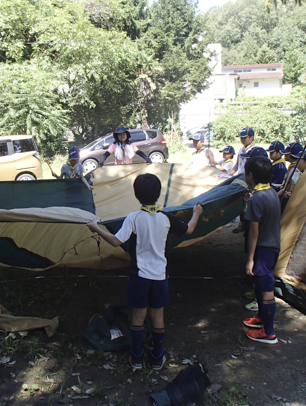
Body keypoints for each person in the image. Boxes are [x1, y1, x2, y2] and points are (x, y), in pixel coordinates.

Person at [87, 174, 203, 370]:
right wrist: (197, 212)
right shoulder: (166, 218)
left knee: (138, 317)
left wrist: (96, 228)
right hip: (159, 277)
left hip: (138, 277)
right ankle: (157, 357)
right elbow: (189, 229)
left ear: (135, 194)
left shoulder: (133, 218)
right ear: (158, 194)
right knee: (158, 316)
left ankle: (137, 357)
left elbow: (116, 241)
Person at [242, 157, 281, 344]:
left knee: (266, 289)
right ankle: (261, 318)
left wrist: (250, 259)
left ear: (250, 175)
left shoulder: (256, 199)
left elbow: (253, 234)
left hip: (263, 248)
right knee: (259, 284)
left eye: (245, 172)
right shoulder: (271, 192)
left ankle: (269, 332)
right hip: (272, 246)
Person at [230, 127, 256, 233]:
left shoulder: (253, 150)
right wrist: (229, 175)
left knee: (249, 203)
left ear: (251, 138)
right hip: (241, 179)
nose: (242, 140)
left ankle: (248, 226)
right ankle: (241, 224)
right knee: (241, 202)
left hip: (249, 180)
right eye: (241, 138)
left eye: (244, 138)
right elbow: (236, 165)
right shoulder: (241, 150)